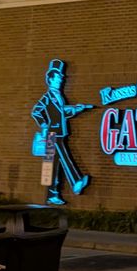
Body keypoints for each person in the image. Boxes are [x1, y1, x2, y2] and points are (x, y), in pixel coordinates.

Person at [31, 59, 93, 206]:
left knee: (52, 164)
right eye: (58, 77)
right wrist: (44, 125)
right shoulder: (47, 97)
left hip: (58, 132)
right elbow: (35, 111)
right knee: (64, 157)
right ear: (50, 79)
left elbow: (62, 113)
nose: (61, 80)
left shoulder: (59, 96)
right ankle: (76, 181)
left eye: (61, 77)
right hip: (53, 134)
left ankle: (52, 195)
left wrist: (77, 109)